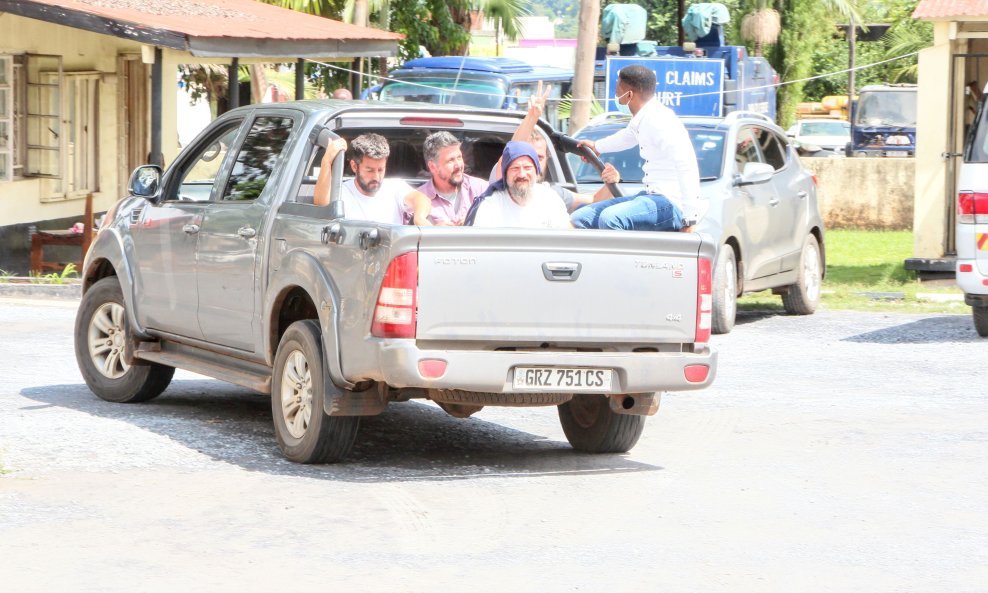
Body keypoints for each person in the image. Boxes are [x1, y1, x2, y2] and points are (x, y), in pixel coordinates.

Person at [571, 65, 703, 232]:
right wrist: (597, 146)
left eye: (618, 90)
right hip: (651, 197)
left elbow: (687, 164)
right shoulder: (643, 119)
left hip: (671, 203)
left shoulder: (660, 120)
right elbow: (627, 137)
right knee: (579, 219)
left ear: (630, 95)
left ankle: (621, 259)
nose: (616, 96)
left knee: (610, 219)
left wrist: (690, 218)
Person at [491, 81, 621, 211]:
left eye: (539, 158)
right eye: (525, 159)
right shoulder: (501, 189)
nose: (531, 166)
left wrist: (611, 181)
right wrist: (532, 117)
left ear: (547, 161)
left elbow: (595, 201)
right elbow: (513, 149)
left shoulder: (551, 195)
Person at [313, 133, 432, 226]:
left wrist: (419, 217)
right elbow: (321, 203)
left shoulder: (395, 187)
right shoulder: (341, 191)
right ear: (354, 166)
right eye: (369, 170)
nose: (376, 177)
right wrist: (327, 161)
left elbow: (421, 199)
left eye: (380, 170)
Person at [467, 141, 571, 229]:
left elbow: (565, 240)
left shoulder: (550, 200)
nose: (521, 174)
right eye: (515, 168)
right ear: (505, 173)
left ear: (536, 171)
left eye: (527, 167)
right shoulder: (491, 206)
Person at [417, 131, 489, 225]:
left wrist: (476, 220)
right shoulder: (418, 199)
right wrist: (434, 231)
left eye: (459, 157)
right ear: (432, 167)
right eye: (450, 160)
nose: (458, 165)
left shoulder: (481, 189)